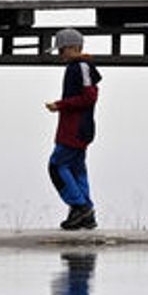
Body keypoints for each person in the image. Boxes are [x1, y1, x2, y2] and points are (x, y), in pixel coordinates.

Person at [44, 27, 101, 229]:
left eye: (62, 50)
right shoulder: (77, 67)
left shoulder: (82, 66)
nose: (60, 54)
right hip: (79, 128)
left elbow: (89, 97)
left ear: (74, 47)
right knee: (76, 169)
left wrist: (60, 105)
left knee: (56, 166)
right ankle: (86, 214)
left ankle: (80, 206)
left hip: (75, 128)